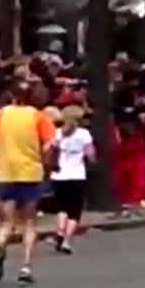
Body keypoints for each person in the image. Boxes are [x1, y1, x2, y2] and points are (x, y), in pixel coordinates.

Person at [0, 80, 57, 284]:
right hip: (31, 172)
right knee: (30, 222)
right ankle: (25, 266)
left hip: (7, 172)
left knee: (6, 221)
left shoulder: (0, 114)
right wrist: (46, 163)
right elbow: (50, 144)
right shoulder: (38, 116)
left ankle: (0, 246)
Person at [50, 105, 93, 254]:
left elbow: (51, 150)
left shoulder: (57, 133)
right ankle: (67, 242)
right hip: (77, 175)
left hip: (59, 175)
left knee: (62, 207)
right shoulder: (84, 134)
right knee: (75, 211)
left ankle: (60, 233)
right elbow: (90, 155)